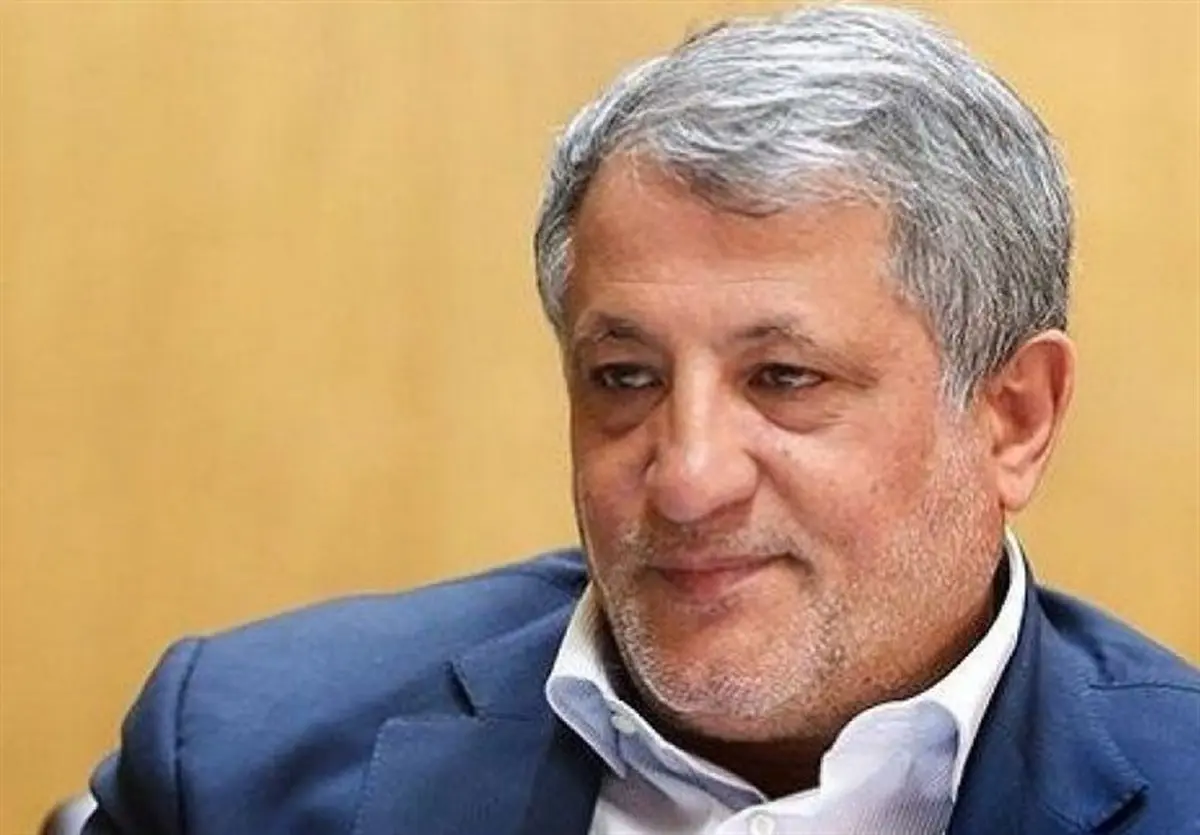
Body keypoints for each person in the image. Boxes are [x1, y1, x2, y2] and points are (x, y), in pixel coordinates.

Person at [84, 5, 1199, 835]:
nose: (687, 477)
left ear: (1012, 418)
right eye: (625, 377)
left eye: (784, 378)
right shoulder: (238, 764)